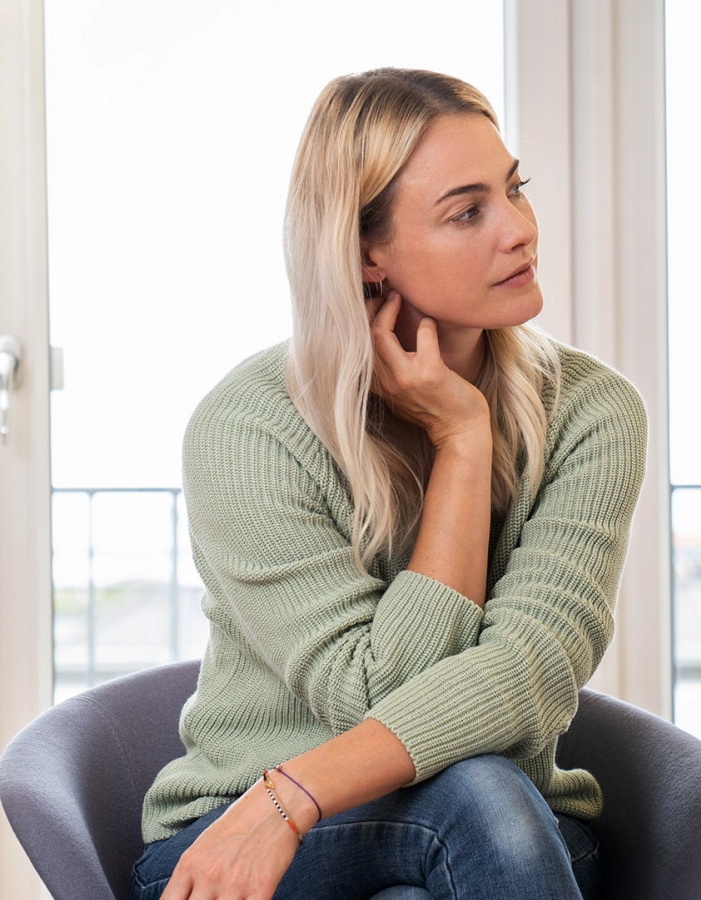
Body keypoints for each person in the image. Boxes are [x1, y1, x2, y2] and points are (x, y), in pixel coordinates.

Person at [133, 68, 646, 900]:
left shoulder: (592, 411)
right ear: (366, 255)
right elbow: (375, 698)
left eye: (515, 190)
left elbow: (530, 671)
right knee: (474, 802)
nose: (519, 230)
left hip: (496, 822)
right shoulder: (250, 429)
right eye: (467, 211)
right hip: (240, 835)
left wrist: (465, 434)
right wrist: (460, 447)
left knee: (474, 806)